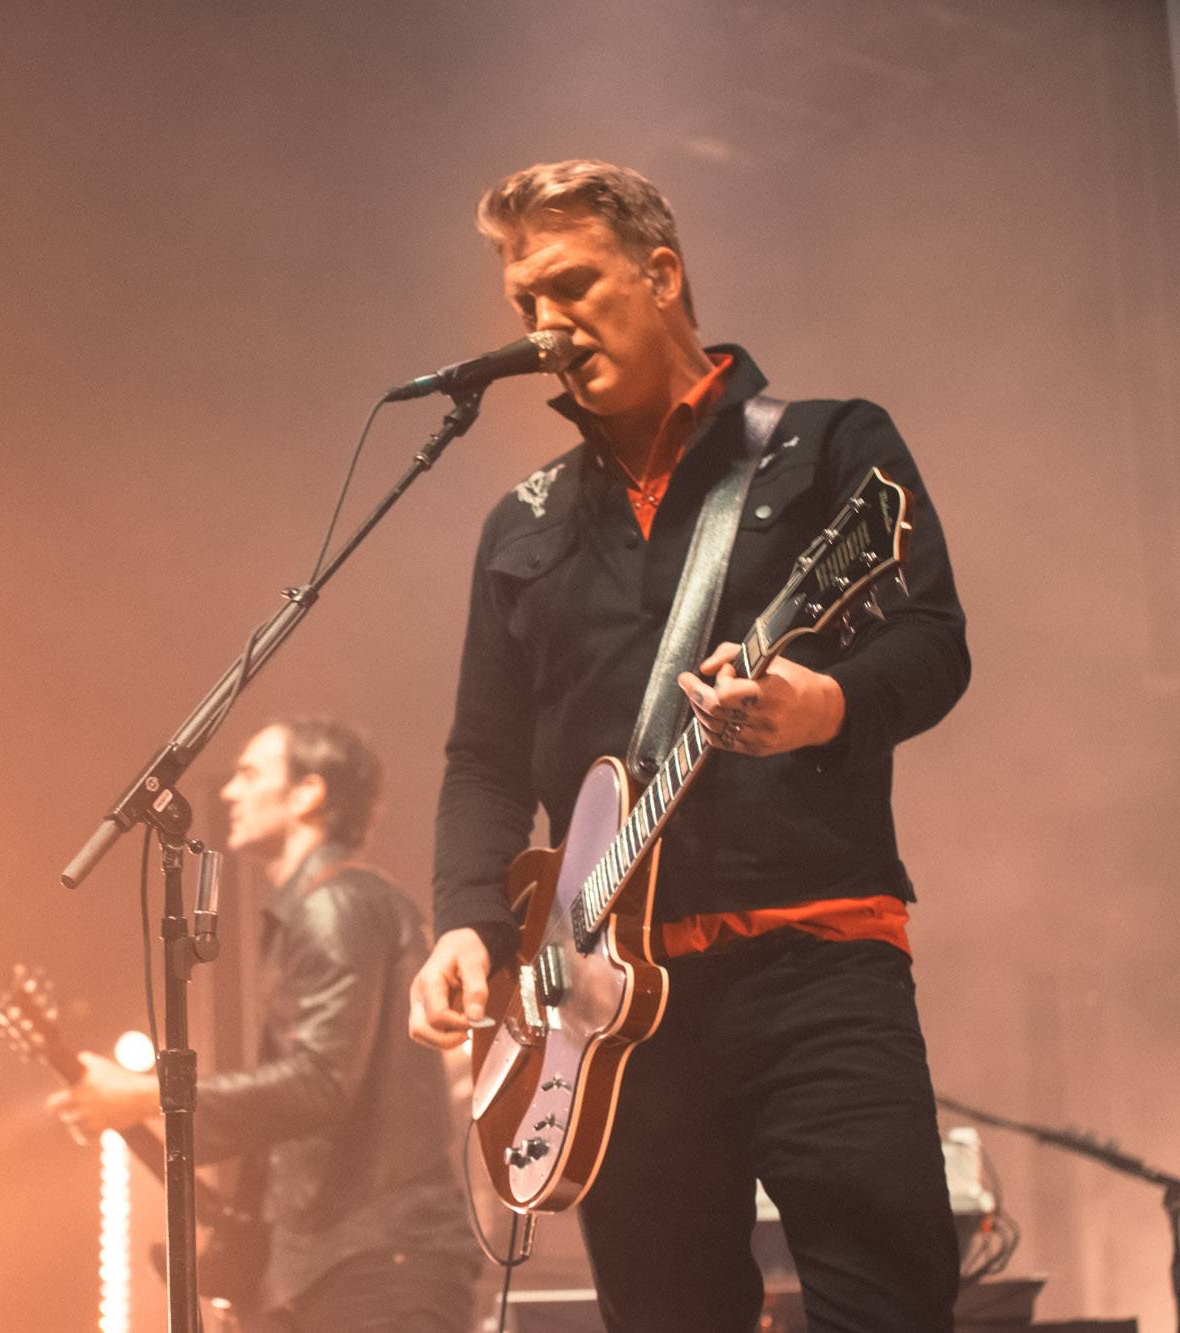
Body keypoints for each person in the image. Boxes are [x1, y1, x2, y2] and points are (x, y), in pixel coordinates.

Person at [406, 160, 969, 1331]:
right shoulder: (522, 521)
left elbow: (930, 640)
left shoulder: (823, 448)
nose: (546, 325)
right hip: (611, 1018)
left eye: (570, 285)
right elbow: (483, 757)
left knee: (889, 1305)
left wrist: (824, 707)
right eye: (523, 306)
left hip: (816, 963)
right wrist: (463, 916)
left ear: (660, 274)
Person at [52, 718, 478, 1332]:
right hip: (339, 1266)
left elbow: (320, 1086)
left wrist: (142, 1095)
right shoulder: (326, 907)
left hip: (375, 1268)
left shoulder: (336, 904)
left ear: (309, 794)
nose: (229, 792)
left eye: (252, 774)